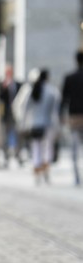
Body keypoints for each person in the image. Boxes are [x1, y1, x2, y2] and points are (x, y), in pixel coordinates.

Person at [19, 68, 60, 184]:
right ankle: (46, 167)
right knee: (47, 148)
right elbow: (55, 111)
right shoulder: (51, 91)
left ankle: (37, 169)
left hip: (34, 124)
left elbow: (24, 108)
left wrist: (23, 124)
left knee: (36, 148)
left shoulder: (31, 90)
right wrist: (57, 126)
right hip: (47, 125)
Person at [61, 51, 83, 186]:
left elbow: (64, 99)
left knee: (74, 148)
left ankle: (77, 176)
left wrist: (61, 116)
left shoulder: (69, 78)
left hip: (74, 116)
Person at [0, 65, 23, 167]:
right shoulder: (1, 84)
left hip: (17, 114)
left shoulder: (18, 84)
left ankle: (18, 155)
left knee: (18, 135)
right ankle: (6, 157)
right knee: (5, 136)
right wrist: (4, 88)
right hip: (6, 113)